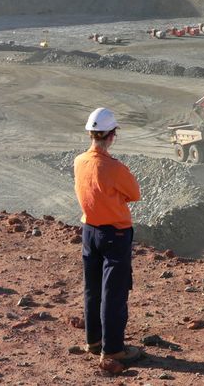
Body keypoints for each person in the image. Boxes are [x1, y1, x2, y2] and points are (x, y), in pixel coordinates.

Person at [73, 107, 141, 363]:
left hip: (89, 232)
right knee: (114, 294)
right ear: (111, 135)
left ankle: (94, 341)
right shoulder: (114, 168)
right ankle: (113, 351)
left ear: (91, 134)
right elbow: (134, 194)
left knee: (92, 289)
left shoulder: (80, 161)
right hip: (115, 235)